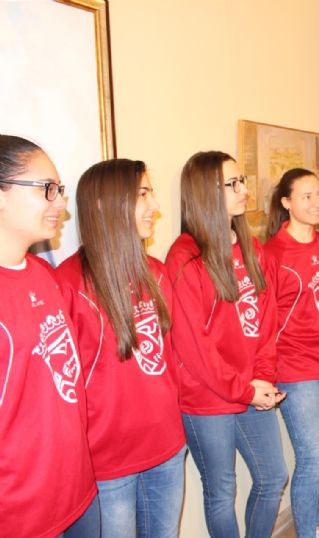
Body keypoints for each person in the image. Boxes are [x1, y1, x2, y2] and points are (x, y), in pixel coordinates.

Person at [56, 159, 186, 538]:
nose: (155, 206)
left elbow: (170, 359)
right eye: (142, 194)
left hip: (166, 446)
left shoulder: (157, 272)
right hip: (105, 464)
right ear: (104, 204)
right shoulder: (66, 284)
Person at [165, 151, 287, 538]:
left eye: (242, 180)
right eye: (231, 184)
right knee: (222, 491)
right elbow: (194, 346)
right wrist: (245, 389)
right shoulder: (185, 257)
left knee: (272, 477)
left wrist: (262, 379)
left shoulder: (252, 248)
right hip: (208, 399)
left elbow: (267, 322)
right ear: (204, 193)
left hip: (254, 388)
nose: (243, 190)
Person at [0, 134, 98, 537]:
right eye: (47, 190)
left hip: (77, 491)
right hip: (21, 513)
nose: (61, 203)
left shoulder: (42, 274)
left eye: (59, 190)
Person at [264, 168, 319, 538]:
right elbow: (266, 321)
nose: (316, 203)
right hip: (297, 370)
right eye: (306, 196)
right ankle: (307, 531)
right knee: (312, 456)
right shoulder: (271, 253)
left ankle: (317, 521)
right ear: (286, 203)